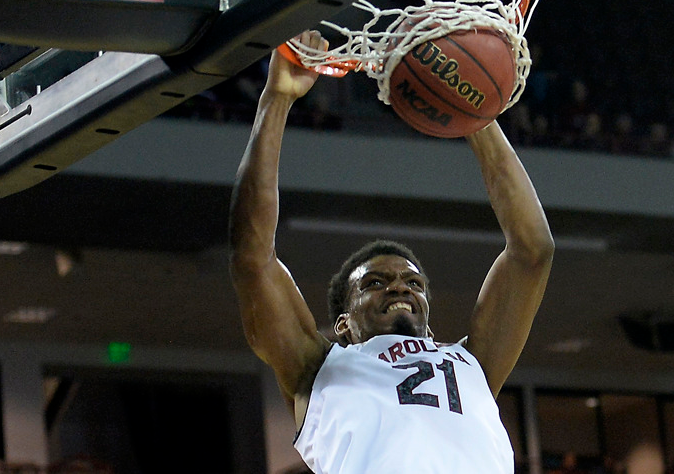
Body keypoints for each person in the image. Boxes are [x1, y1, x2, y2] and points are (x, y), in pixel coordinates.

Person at [229, 31, 555, 474]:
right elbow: (253, 258)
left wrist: (475, 116)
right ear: (343, 324)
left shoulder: (470, 363)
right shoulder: (318, 367)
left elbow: (532, 251)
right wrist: (277, 100)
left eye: (413, 282)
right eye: (376, 283)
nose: (399, 286)